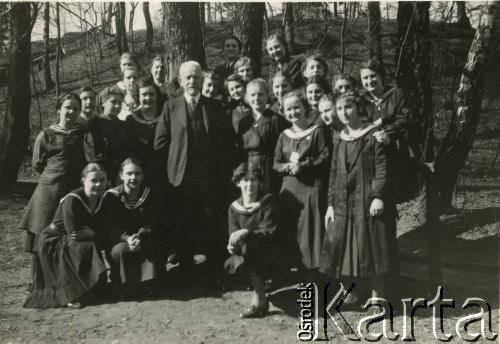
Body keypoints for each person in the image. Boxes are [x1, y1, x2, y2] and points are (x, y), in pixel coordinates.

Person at [154, 61, 231, 278]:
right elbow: (160, 143)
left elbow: (226, 142)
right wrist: (171, 166)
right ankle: (186, 273)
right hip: (181, 179)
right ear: (180, 80)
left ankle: (214, 272)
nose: (192, 81)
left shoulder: (214, 106)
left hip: (209, 178)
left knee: (210, 222)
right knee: (184, 222)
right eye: (188, 77)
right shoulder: (171, 106)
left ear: (202, 80)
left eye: (196, 77)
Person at [319, 92, 392, 310]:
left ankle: (377, 297)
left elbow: (382, 168)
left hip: (366, 200)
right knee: (345, 247)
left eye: (348, 107)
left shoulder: (373, 135)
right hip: (342, 202)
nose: (344, 112)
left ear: (358, 108)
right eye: (340, 109)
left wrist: (378, 196)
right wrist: (330, 204)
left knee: (372, 247)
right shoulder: (340, 138)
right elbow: (333, 173)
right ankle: (352, 292)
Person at [24, 163, 108, 309]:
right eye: (93, 180)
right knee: (85, 247)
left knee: (90, 244)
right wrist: (96, 233)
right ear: (83, 181)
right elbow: (74, 231)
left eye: (102, 180)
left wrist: (95, 233)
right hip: (53, 239)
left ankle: (88, 288)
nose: (99, 184)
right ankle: (68, 294)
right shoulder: (73, 199)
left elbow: (103, 227)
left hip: (72, 238)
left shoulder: (101, 199)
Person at [21, 94, 87, 256]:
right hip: (49, 192)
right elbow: (38, 163)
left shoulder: (83, 134)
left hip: (73, 190)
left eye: (76, 109)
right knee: (41, 237)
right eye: (67, 108)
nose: (71, 112)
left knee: (69, 238)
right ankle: (39, 279)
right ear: (59, 109)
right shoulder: (46, 135)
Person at [274, 91, 330, 279]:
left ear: (305, 107)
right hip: (289, 188)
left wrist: (303, 166)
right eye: (289, 109)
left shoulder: (318, 131)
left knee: (310, 233)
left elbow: (325, 156)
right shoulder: (284, 135)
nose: (293, 112)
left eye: (297, 107)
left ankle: (314, 275)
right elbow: (276, 163)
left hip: (311, 187)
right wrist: (286, 167)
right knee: (292, 230)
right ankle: (296, 272)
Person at [102, 158, 166, 298]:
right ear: (121, 175)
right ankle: (126, 287)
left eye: (137, 174)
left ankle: (150, 285)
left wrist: (139, 236)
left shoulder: (151, 194)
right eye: (129, 173)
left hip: (144, 238)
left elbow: (153, 221)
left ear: (143, 176)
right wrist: (127, 238)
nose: (133, 177)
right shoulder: (111, 197)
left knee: (155, 246)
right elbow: (110, 226)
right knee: (121, 250)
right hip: (121, 241)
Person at [225, 163, 278, 318]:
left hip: (269, 249)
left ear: (259, 182)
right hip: (246, 253)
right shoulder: (234, 208)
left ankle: (259, 300)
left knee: (250, 250)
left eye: (253, 180)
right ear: (238, 183)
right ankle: (260, 297)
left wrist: (247, 232)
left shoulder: (267, 202)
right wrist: (232, 245)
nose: (249, 184)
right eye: (245, 180)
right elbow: (233, 234)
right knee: (236, 259)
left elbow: (269, 230)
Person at [240, 78, 288, 194]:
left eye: (261, 94)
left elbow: (283, 148)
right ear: (247, 97)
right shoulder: (244, 121)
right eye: (252, 95)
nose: (256, 98)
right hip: (249, 167)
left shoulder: (276, 119)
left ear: (267, 96)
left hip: (269, 168)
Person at [84, 85, 136, 184]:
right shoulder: (95, 125)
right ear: (103, 103)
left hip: (123, 176)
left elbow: (129, 151)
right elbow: (93, 155)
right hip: (101, 177)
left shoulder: (124, 125)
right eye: (113, 102)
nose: (117, 106)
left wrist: (122, 172)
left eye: (120, 102)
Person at [126, 77, 163, 187]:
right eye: (144, 95)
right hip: (141, 171)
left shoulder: (166, 115)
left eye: (152, 94)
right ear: (138, 96)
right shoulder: (131, 120)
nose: (148, 98)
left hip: (164, 168)